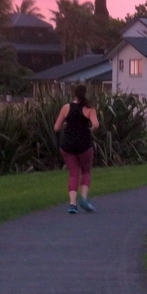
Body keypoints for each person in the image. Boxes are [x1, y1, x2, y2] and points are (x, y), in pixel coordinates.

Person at [53, 84, 100, 214]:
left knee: (73, 173)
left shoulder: (66, 108)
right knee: (86, 171)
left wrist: (66, 125)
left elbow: (56, 128)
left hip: (67, 144)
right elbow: (96, 124)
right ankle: (84, 198)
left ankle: (72, 204)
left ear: (74, 94)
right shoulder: (89, 109)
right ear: (85, 93)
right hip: (84, 144)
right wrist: (91, 129)